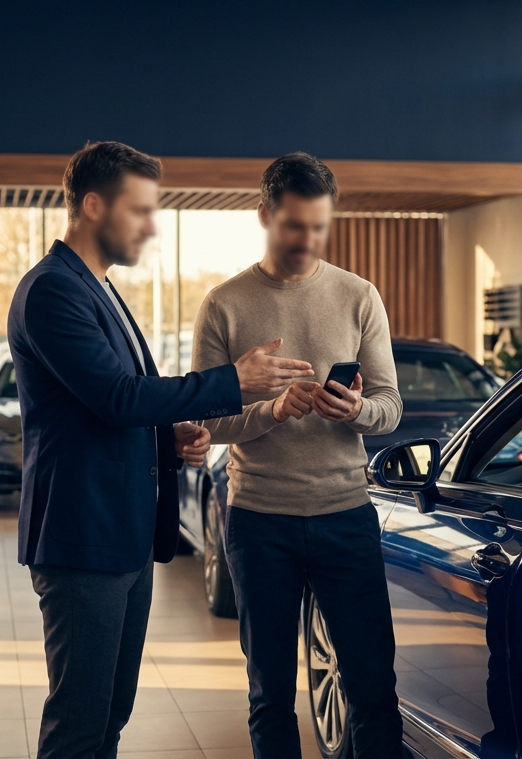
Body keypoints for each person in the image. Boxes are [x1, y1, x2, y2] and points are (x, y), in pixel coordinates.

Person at [7, 141, 314, 759]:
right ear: (93, 205)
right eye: (140, 210)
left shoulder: (100, 289)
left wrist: (167, 436)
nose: (151, 226)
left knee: (110, 715)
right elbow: (118, 396)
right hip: (82, 539)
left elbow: (111, 406)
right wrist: (234, 381)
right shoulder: (51, 292)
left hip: (120, 538)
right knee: (79, 723)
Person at [192, 153, 404, 758]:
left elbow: (389, 406)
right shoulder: (224, 304)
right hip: (260, 522)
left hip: (346, 516)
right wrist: (275, 410)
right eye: (294, 226)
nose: (307, 240)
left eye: (318, 226)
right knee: (270, 695)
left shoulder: (359, 296)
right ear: (264, 215)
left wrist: (354, 411)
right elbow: (213, 420)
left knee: (372, 689)